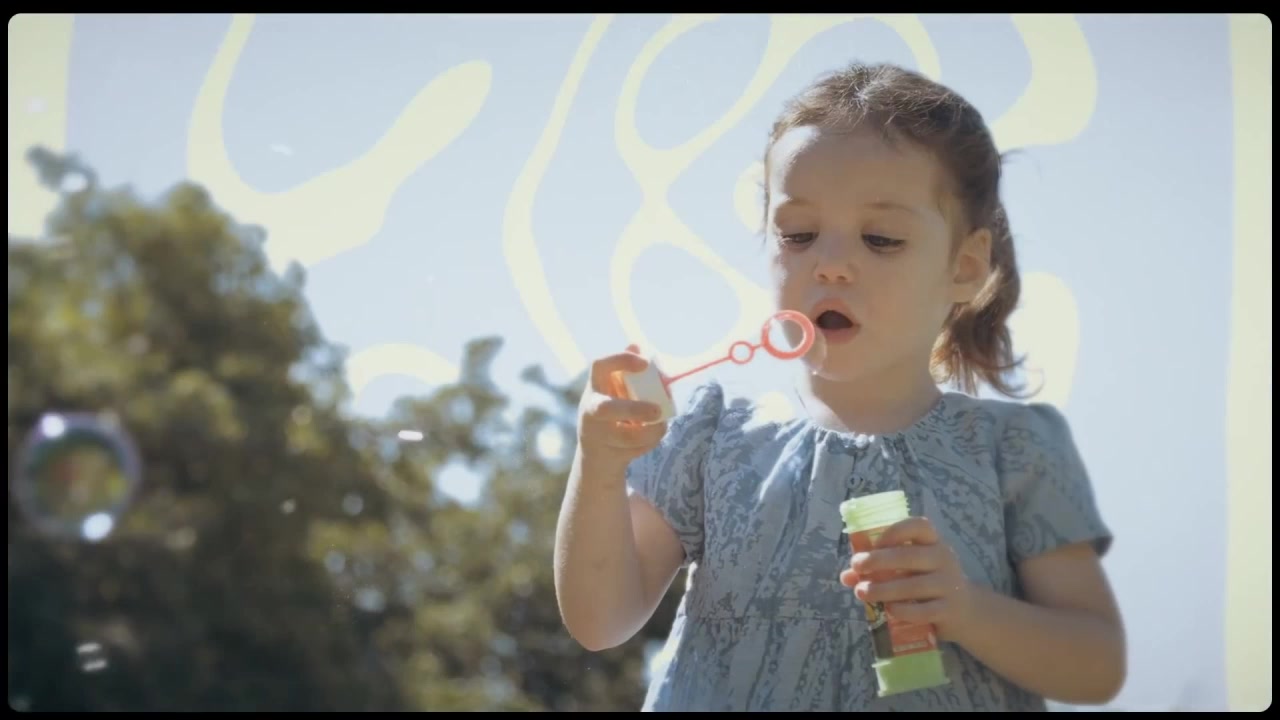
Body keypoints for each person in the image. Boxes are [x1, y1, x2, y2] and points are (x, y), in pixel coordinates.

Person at [552, 62, 1126, 712]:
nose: (830, 265)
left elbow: (1096, 667)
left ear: (964, 267)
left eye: (881, 239)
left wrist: (966, 610)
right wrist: (599, 465)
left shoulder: (1011, 450)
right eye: (798, 235)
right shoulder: (714, 436)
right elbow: (600, 621)